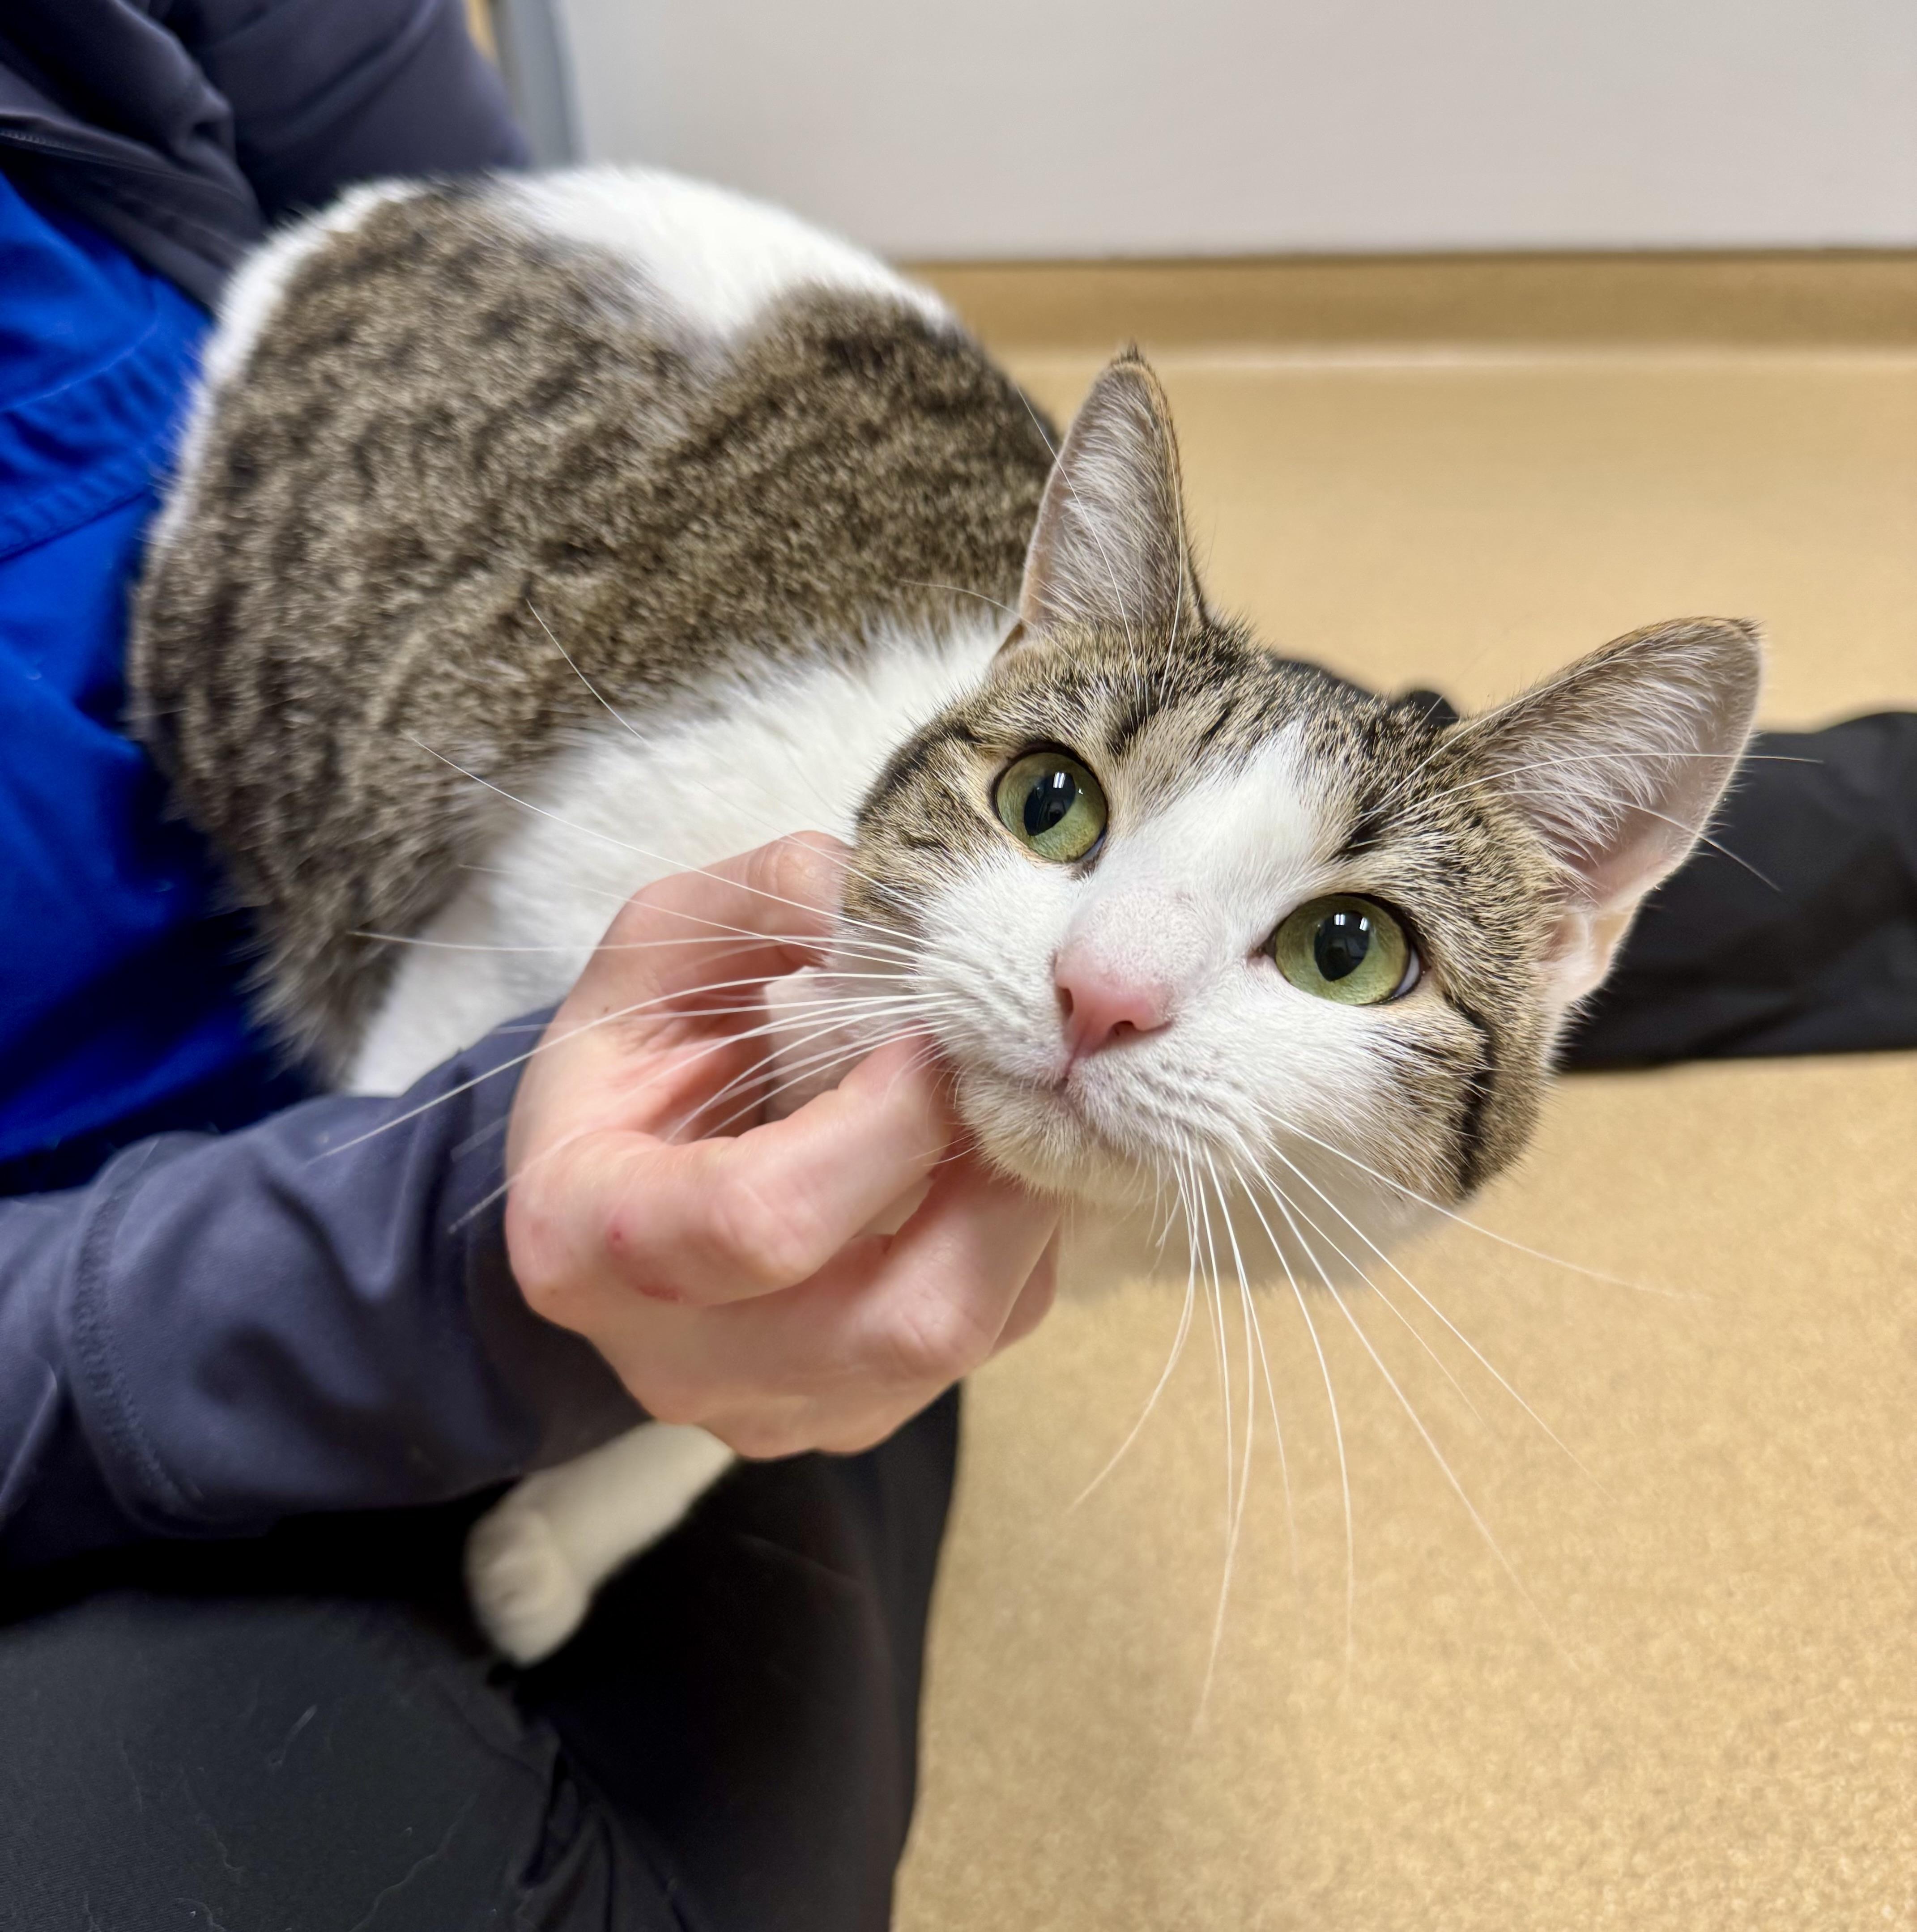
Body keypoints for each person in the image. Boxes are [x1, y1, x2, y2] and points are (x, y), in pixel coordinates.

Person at [0, 5, 1051, 1927]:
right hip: (211, 1276)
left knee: (1272, 902)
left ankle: (1724, 855)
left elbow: (477, 206)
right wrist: (430, 1255)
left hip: (587, 1036)